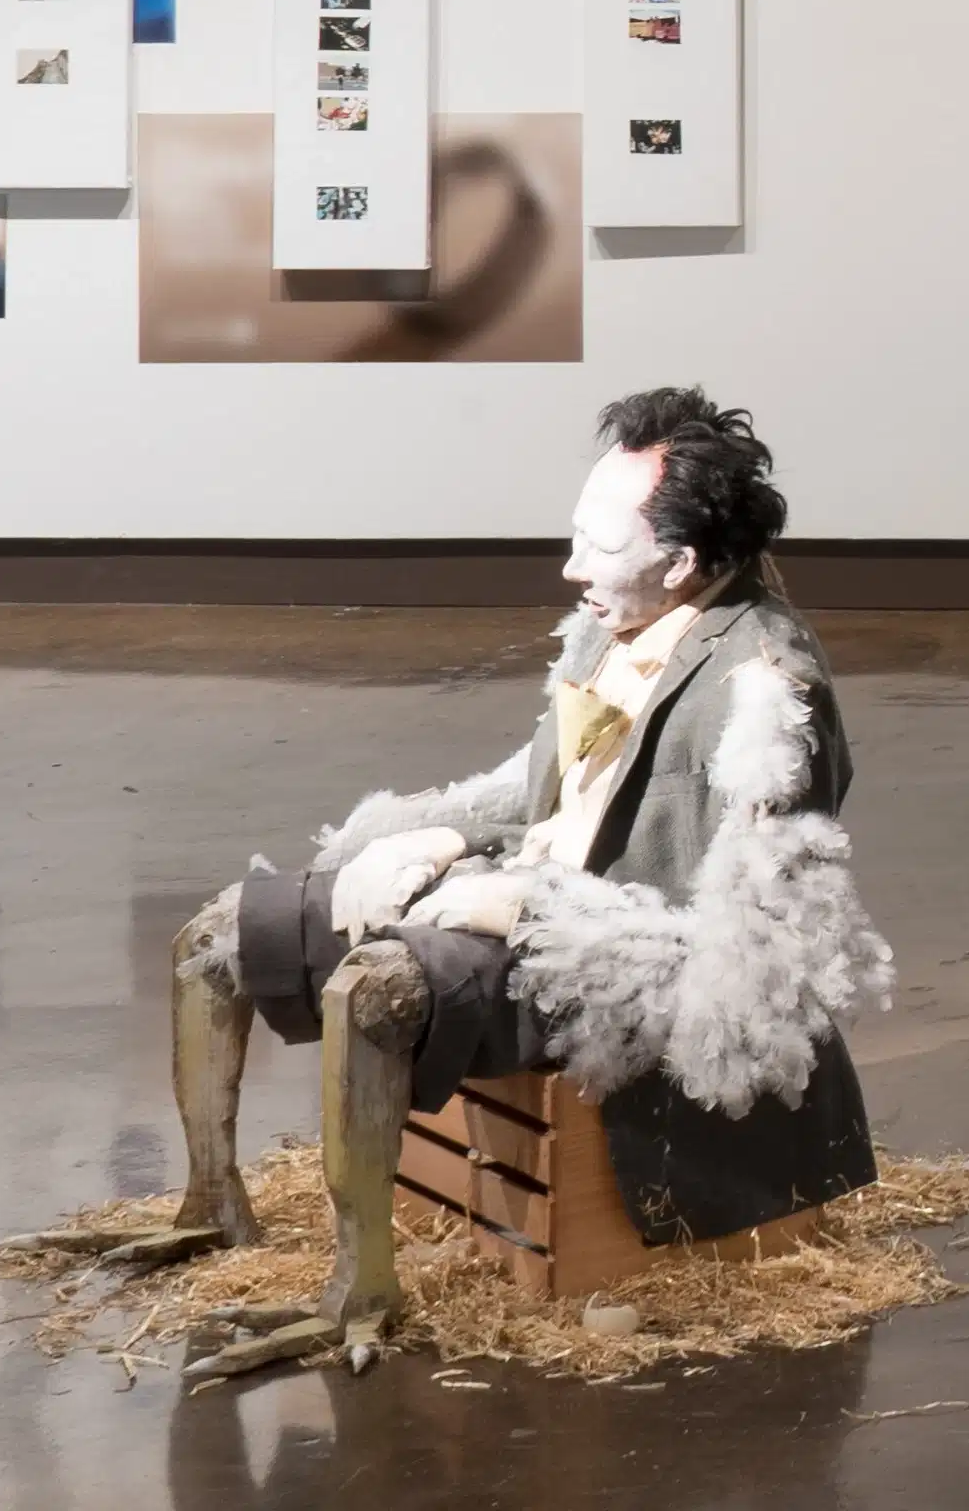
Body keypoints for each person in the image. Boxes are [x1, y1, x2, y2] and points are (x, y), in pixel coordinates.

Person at [131, 389, 888, 1377]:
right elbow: (542, 788)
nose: (570, 567)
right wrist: (427, 839)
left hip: (611, 955)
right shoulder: (616, 621)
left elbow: (750, 943)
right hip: (516, 886)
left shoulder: (765, 691)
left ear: (685, 560)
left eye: (597, 544)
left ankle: (362, 1288)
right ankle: (210, 1202)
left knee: (373, 993)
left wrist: (537, 909)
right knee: (216, 938)